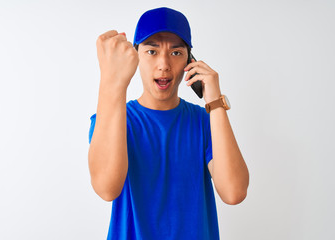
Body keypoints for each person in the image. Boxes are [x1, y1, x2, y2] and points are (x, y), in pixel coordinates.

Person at [88, 7, 249, 240]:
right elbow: (106, 188)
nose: (163, 64)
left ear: (189, 60)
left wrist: (215, 101)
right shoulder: (113, 119)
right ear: (136, 57)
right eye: (152, 51)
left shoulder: (204, 120)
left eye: (175, 53)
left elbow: (234, 192)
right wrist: (112, 80)